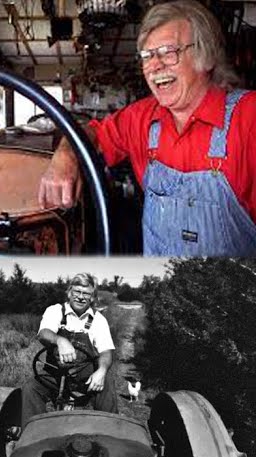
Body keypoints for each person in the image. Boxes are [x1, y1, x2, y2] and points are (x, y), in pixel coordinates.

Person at [38, 0, 256, 255]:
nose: (154, 66)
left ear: (205, 56)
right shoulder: (141, 117)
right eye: (147, 56)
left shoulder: (248, 118)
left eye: (168, 52)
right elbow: (92, 133)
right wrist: (67, 154)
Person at [20, 273, 117, 423]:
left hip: (86, 379)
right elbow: (43, 333)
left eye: (86, 293)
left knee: (106, 385)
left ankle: (110, 433)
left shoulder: (98, 320)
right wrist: (60, 340)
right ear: (69, 293)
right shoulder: (55, 311)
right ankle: (32, 434)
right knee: (31, 388)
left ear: (92, 298)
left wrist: (102, 371)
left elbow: (106, 351)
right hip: (55, 376)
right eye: (77, 292)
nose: (80, 297)